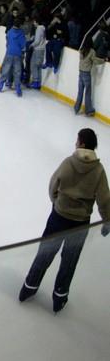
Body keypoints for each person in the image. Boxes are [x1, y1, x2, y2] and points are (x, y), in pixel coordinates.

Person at [19, 128, 110, 313]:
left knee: (44, 254)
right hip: (80, 223)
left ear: (82, 143)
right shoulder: (98, 171)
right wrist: (107, 220)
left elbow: (53, 184)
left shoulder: (68, 163)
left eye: (77, 140)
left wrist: (56, 202)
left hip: (59, 218)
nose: (75, 143)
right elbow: (104, 199)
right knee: (69, 261)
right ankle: (59, 298)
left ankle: (29, 288)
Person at [73, 38, 106, 116]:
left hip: (80, 73)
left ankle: (76, 108)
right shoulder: (91, 51)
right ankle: (89, 111)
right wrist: (103, 60)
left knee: (80, 92)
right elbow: (95, 61)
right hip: (86, 75)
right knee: (87, 93)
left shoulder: (81, 50)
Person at [0, 17, 26, 97]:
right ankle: (17, 88)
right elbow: (23, 45)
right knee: (17, 71)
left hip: (9, 53)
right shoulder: (21, 33)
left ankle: (1, 84)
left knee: (6, 69)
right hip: (17, 54)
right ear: (20, 25)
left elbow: (7, 41)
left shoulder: (9, 31)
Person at [29, 15, 47, 89]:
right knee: (38, 66)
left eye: (34, 22)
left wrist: (31, 45)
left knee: (34, 65)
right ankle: (38, 82)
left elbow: (37, 41)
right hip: (42, 50)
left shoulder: (39, 29)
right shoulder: (43, 28)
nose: (33, 23)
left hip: (38, 50)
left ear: (36, 21)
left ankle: (35, 82)